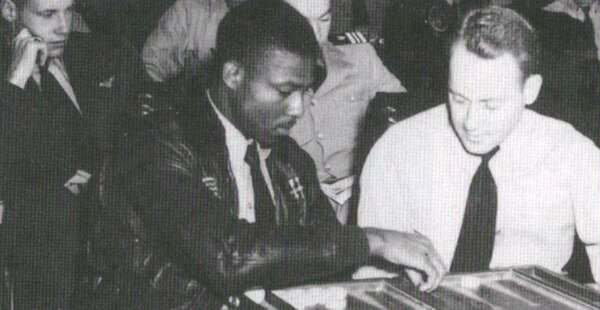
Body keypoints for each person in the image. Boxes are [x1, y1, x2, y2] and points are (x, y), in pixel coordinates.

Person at [97, 1, 446, 308]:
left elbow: (326, 254)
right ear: (233, 74)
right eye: (284, 90)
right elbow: (229, 255)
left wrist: (386, 276)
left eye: (307, 90)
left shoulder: (289, 161)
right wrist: (375, 240)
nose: (298, 107)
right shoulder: (155, 143)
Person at [359, 6, 600, 282]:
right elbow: (372, 278)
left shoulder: (572, 153)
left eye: (491, 105)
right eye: (459, 99)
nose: (471, 122)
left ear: (530, 90)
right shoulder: (397, 149)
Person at [0, 0, 142, 307]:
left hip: (112, 226)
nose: (64, 27)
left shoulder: (98, 52)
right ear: (10, 11)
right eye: (48, 14)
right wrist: (15, 81)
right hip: (44, 247)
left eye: (68, 10)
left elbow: (127, 126)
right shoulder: (8, 77)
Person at [286, 0, 405, 224]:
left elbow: (409, 118)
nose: (315, 34)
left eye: (324, 19)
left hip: (366, 192)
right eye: (302, 22)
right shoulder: (258, 77)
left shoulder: (361, 57)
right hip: (298, 207)